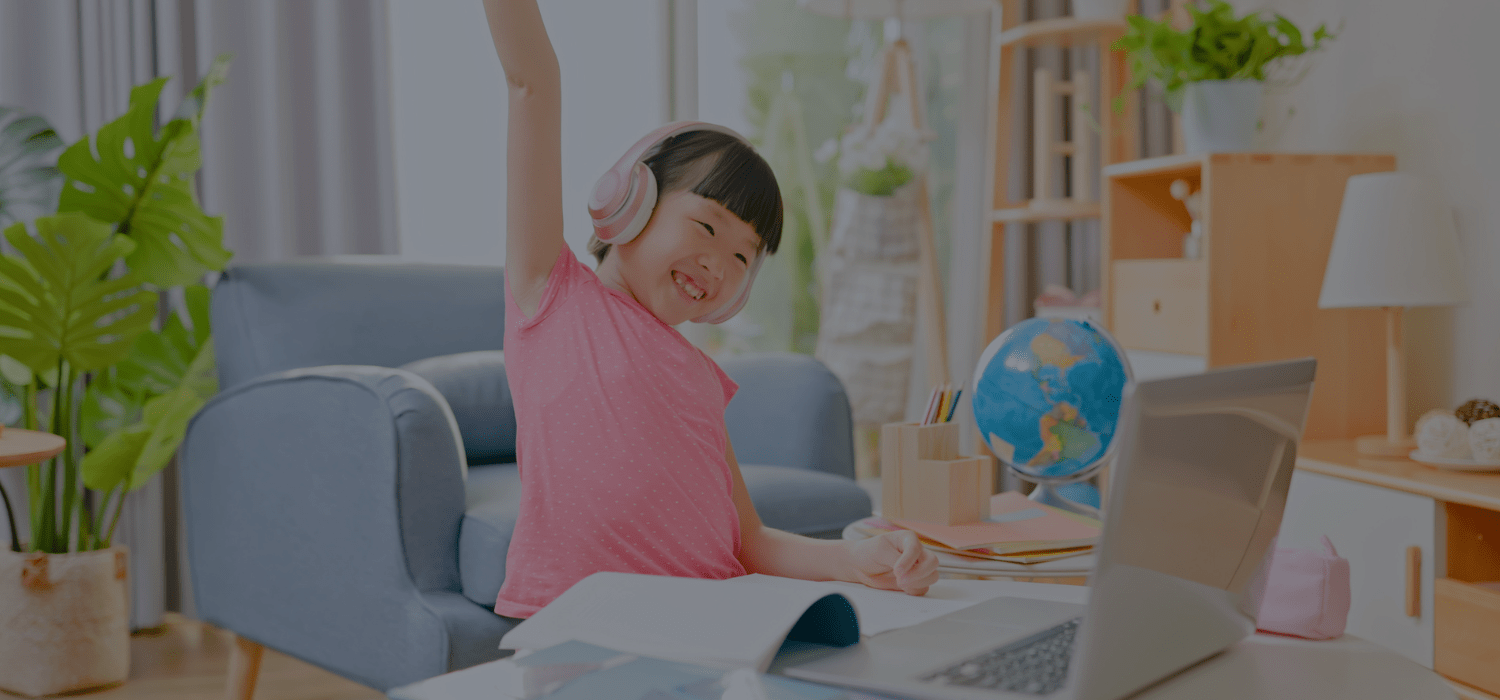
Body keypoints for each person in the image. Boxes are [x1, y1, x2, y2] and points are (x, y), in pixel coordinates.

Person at [481, 0, 939, 620]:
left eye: (744, 256)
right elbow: (532, 83)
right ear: (631, 199)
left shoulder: (700, 376)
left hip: (712, 626)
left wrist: (854, 561)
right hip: (579, 623)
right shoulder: (553, 295)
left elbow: (748, 542)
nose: (719, 264)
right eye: (706, 225)